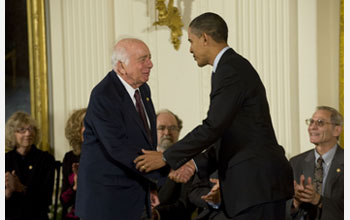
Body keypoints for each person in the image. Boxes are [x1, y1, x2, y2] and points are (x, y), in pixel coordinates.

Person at [134, 12, 294, 219]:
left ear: (205, 38)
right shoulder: (230, 68)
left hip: (256, 184)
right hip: (253, 186)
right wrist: (193, 164)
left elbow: (213, 126)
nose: (190, 49)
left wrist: (167, 157)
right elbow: (228, 133)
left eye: (191, 41)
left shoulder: (230, 69)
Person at [75, 38, 167, 220]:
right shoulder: (104, 95)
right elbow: (118, 148)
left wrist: (151, 184)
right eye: (143, 59)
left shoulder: (144, 90)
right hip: (106, 203)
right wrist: (167, 169)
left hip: (135, 195)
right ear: (121, 67)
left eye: (150, 57)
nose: (150, 64)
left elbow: (144, 142)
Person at [287, 106, 343, 220]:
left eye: (320, 123)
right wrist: (296, 203)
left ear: (336, 130)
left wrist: (319, 200)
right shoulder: (296, 163)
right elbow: (284, 210)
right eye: (311, 122)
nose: (312, 127)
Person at [5, 111, 55, 220]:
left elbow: (46, 200)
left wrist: (22, 189)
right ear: (12, 133)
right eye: (22, 130)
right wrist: (7, 193)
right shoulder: (5, 160)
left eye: (31, 129)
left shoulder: (46, 159)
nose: (28, 133)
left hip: (36, 215)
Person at [149, 109, 196, 220]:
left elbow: (186, 204)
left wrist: (157, 214)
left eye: (172, 128)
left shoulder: (188, 164)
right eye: (161, 128)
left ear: (179, 132)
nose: (167, 133)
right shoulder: (140, 160)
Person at [60, 108, 87, 220]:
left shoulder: (107, 154)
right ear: (76, 130)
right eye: (86, 125)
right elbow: (64, 201)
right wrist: (75, 186)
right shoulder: (70, 157)